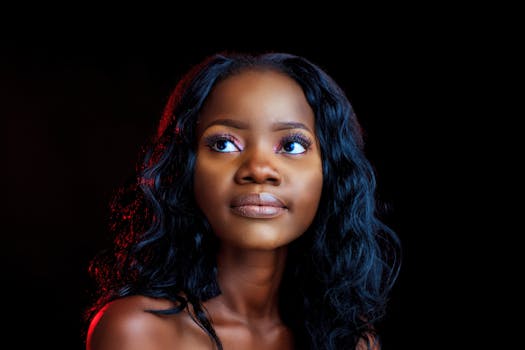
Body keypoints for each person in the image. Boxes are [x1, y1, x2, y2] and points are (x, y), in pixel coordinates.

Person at [83, 51, 401, 350]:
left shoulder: (351, 341)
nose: (259, 169)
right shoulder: (138, 332)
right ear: (186, 167)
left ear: (330, 172)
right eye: (224, 143)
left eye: (292, 146)